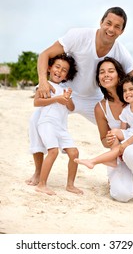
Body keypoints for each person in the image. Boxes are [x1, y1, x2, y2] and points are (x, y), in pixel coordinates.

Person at [36, 6, 133, 131]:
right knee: (41, 122)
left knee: (121, 130)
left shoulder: (121, 52)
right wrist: (43, 81)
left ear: (122, 31)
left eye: (117, 27)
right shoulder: (79, 36)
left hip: (93, 99)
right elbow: (45, 54)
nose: (111, 29)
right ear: (101, 22)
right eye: (108, 23)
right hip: (64, 91)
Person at [80, 57, 133, 204]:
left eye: (111, 71)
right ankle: (114, 175)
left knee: (131, 151)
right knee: (122, 195)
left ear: (119, 75)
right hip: (119, 154)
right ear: (98, 80)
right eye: (101, 72)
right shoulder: (100, 108)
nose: (106, 75)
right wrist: (110, 139)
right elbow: (104, 140)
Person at [74, 75, 133, 171]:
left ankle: (93, 161)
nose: (127, 92)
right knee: (114, 132)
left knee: (121, 146)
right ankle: (114, 158)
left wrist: (126, 143)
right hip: (131, 133)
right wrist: (117, 140)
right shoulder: (126, 110)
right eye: (125, 91)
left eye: (131, 89)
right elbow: (122, 130)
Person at [27, 54, 83, 195]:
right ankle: (42, 184)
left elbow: (71, 108)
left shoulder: (65, 89)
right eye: (57, 67)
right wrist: (56, 99)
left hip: (61, 127)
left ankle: (70, 185)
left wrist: (67, 98)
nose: (59, 71)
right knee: (53, 151)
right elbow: (37, 102)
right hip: (47, 123)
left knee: (74, 153)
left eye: (64, 70)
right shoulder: (44, 84)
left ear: (66, 75)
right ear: (50, 68)